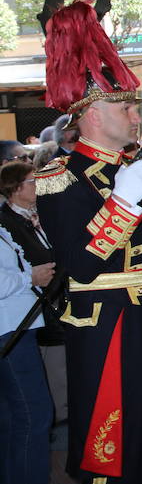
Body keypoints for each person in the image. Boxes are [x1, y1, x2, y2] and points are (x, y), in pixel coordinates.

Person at [34, 0, 142, 484]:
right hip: (104, 318)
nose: (135, 115)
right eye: (123, 106)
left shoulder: (126, 171)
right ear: (89, 113)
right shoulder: (59, 177)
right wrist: (122, 204)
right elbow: (80, 264)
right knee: (112, 430)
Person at [0, 161, 68, 423]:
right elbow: (29, 261)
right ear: (16, 188)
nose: (38, 185)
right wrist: (31, 276)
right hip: (24, 315)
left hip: (52, 303)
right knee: (32, 409)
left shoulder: (39, 214)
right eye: (32, 181)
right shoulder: (8, 222)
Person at [0, 222, 55, 484]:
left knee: (13, 417)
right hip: (8, 330)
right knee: (33, 415)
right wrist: (30, 278)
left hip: (16, 326)